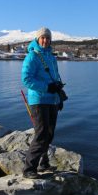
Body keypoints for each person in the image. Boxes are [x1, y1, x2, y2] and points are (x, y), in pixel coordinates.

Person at [21, 27, 66, 179]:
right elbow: (26, 79)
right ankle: (29, 169)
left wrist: (59, 97)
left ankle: (43, 162)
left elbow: (56, 79)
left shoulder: (52, 57)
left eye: (48, 38)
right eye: (43, 38)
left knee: (50, 133)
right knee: (41, 134)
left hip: (52, 100)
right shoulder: (32, 56)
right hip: (38, 100)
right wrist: (47, 87)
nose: (45, 40)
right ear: (38, 39)